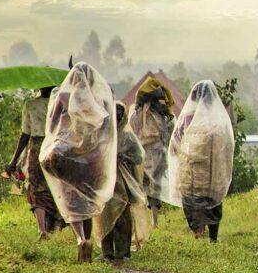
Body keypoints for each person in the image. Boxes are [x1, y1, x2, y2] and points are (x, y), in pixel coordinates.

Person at [39, 62, 117, 263]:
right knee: (87, 197)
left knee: (69, 197)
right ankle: (88, 239)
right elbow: (108, 131)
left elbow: (52, 125)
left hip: (64, 155)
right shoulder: (102, 101)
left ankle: (81, 239)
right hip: (91, 158)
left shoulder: (64, 97)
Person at [166, 80, 234, 243]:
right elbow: (227, 144)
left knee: (192, 201)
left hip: (191, 172)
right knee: (213, 201)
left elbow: (176, 142)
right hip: (212, 173)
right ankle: (212, 237)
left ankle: (198, 232)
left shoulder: (187, 118)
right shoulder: (219, 119)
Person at [5, 86, 65, 240]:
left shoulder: (30, 105)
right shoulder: (60, 104)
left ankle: (42, 229)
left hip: (37, 149)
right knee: (56, 187)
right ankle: (56, 225)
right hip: (56, 149)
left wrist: (14, 159)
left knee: (36, 188)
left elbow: (25, 135)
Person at [95, 102, 148, 261]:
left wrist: (123, 158)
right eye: (115, 112)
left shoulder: (128, 136)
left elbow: (139, 157)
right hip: (106, 181)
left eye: (120, 112)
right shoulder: (104, 135)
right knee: (104, 215)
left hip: (123, 182)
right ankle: (107, 252)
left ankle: (123, 252)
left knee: (122, 217)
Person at [129, 78, 175, 228]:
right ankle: (152, 222)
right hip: (152, 156)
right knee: (152, 189)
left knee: (146, 189)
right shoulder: (161, 114)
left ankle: (147, 222)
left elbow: (133, 133)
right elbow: (167, 134)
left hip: (148, 155)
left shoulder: (140, 114)